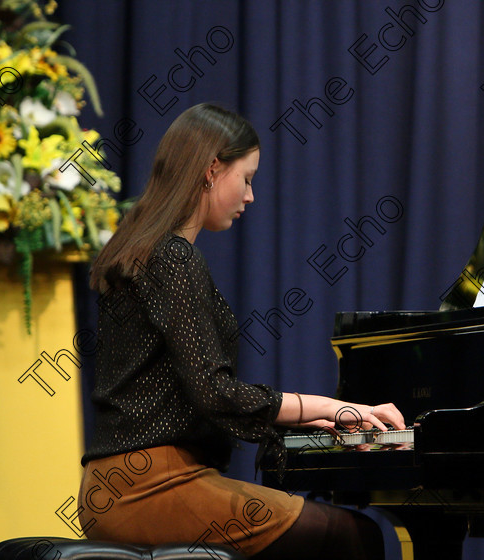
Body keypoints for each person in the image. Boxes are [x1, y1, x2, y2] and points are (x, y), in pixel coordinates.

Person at [80, 103, 404, 560]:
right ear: (212, 169)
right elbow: (214, 391)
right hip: (150, 486)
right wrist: (333, 406)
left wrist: (291, 419)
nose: (250, 196)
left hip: (121, 484)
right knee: (352, 537)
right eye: (247, 178)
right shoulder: (173, 257)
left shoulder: (147, 249)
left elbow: (188, 395)